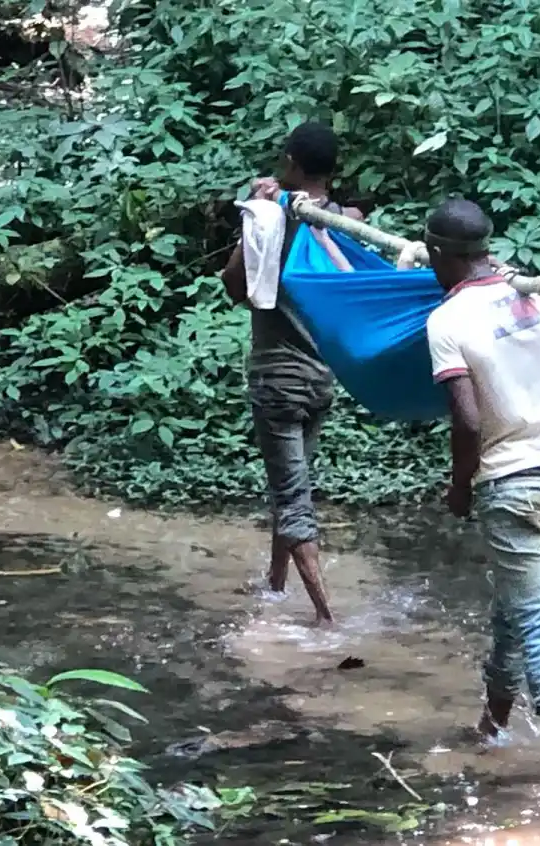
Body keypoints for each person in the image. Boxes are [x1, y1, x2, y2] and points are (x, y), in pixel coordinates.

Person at [419, 198, 540, 774]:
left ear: (442, 254)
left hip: (511, 486)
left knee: (537, 624)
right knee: (512, 610)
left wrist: (459, 486)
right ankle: (491, 726)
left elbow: (468, 421)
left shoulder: (447, 321)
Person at [220, 121, 364, 627]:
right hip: (321, 379)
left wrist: (254, 216)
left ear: (292, 164)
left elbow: (236, 286)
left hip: (277, 378)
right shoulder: (347, 222)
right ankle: (276, 585)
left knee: (291, 496)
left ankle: (327, 616)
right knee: (289, 483)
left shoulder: (274, 220)